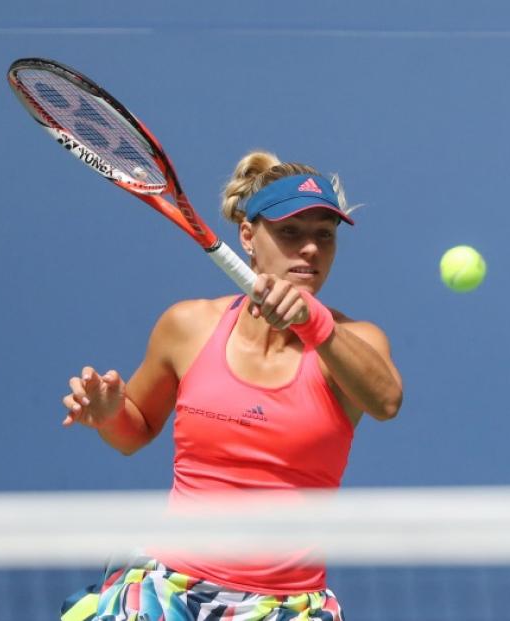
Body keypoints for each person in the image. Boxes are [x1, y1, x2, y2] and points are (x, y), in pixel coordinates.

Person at [59, 151, 403, 621]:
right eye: (290, 233)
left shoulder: (355, 342)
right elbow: (133, 433)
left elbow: (386, 401)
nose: (310, 249)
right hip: (167, 591)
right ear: (248, 236)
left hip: (283, 607)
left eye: (324, 235)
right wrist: (109, 415)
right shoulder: (187, 325)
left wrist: (313, 323)